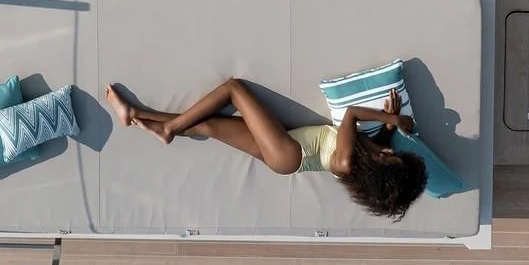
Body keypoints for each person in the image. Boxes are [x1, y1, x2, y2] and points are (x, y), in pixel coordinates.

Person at [106, 77, 427, 222]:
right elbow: (377, 144)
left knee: (234, 88)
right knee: (211, 125)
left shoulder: (345, 162)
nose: (391, 153)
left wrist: (392, 117)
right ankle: (134, 115)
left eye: (395, 158)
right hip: (287, 149)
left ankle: (169, 129)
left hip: (287, 152)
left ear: (387, 168)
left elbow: (352, 116)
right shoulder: (371, 156)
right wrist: (388, 128)